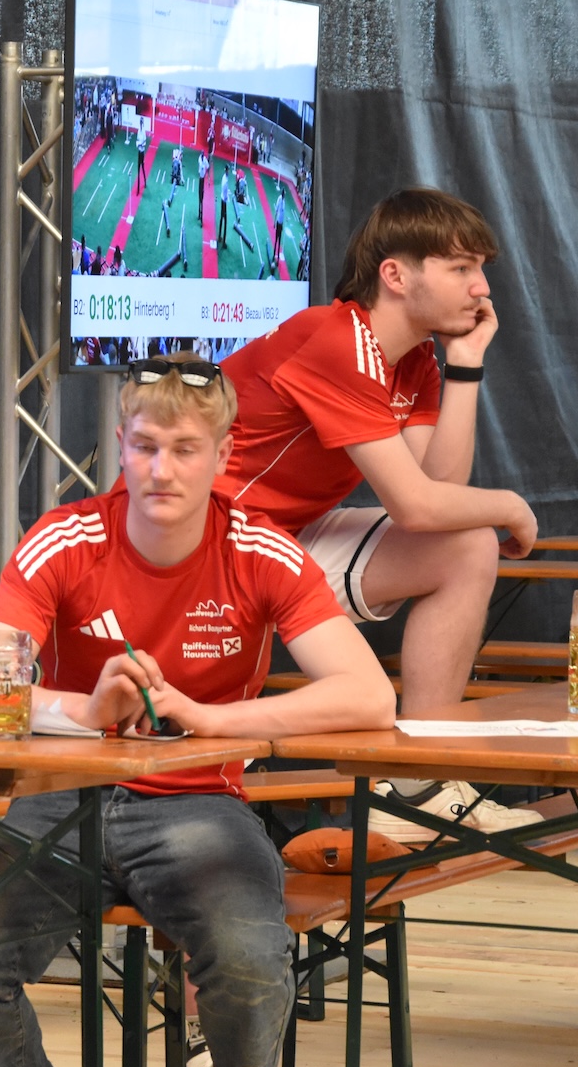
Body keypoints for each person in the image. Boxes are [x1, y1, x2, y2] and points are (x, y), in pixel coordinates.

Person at [0, 357, 396, 1067]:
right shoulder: (66, 537)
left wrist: (210, 718)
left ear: (223, 453)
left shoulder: (260, 548)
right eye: (144, 447)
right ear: (120, 445)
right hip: (65, 795)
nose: (160, 469)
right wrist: (84, 713)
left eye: (183, 448)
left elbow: (369, 695)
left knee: (251, 964)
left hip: (197, 801)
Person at [216, 187, 544, 835]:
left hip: (286, 536)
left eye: (481, 269)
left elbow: (439, 489)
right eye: (461, 267)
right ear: (395, 275)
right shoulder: (334, 339)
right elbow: (416, 505)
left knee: (466, 545)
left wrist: (465, 365)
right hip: (213, 546)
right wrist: (510, 504)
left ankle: (419, 783)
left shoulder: (414, 358)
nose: (482, 288)